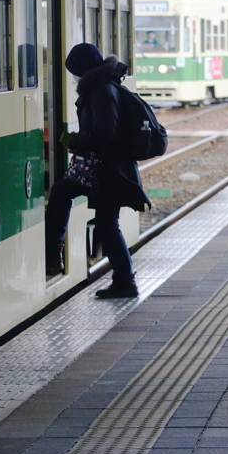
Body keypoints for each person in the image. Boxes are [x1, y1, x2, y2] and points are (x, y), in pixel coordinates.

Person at [45, 43, 150, 298]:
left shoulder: (102, 91)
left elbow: (104, 133)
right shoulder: (105, 86)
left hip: (109, 171)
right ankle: (123, 280)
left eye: (75, 72)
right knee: (101, 219)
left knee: (101, 219)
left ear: (84, 69)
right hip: (108, 169)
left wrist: (77, 140)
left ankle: (55, 256)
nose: (74, 78)